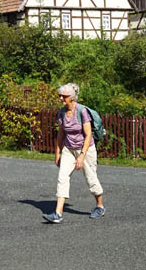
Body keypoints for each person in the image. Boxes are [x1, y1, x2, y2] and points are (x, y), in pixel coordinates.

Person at [43, 83, 104, 223]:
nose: (61, 98)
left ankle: (99, 206)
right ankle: (58, 213)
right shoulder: (61, 113)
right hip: (69, 149)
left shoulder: (82, 111)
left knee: (91, 179)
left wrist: (82, 155)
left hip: (86, 149)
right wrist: (57, 153)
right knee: (62, 177)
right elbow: (61, 134)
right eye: (60, 96)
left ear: (71, 97)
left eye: (64, 96)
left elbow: (88, 135)